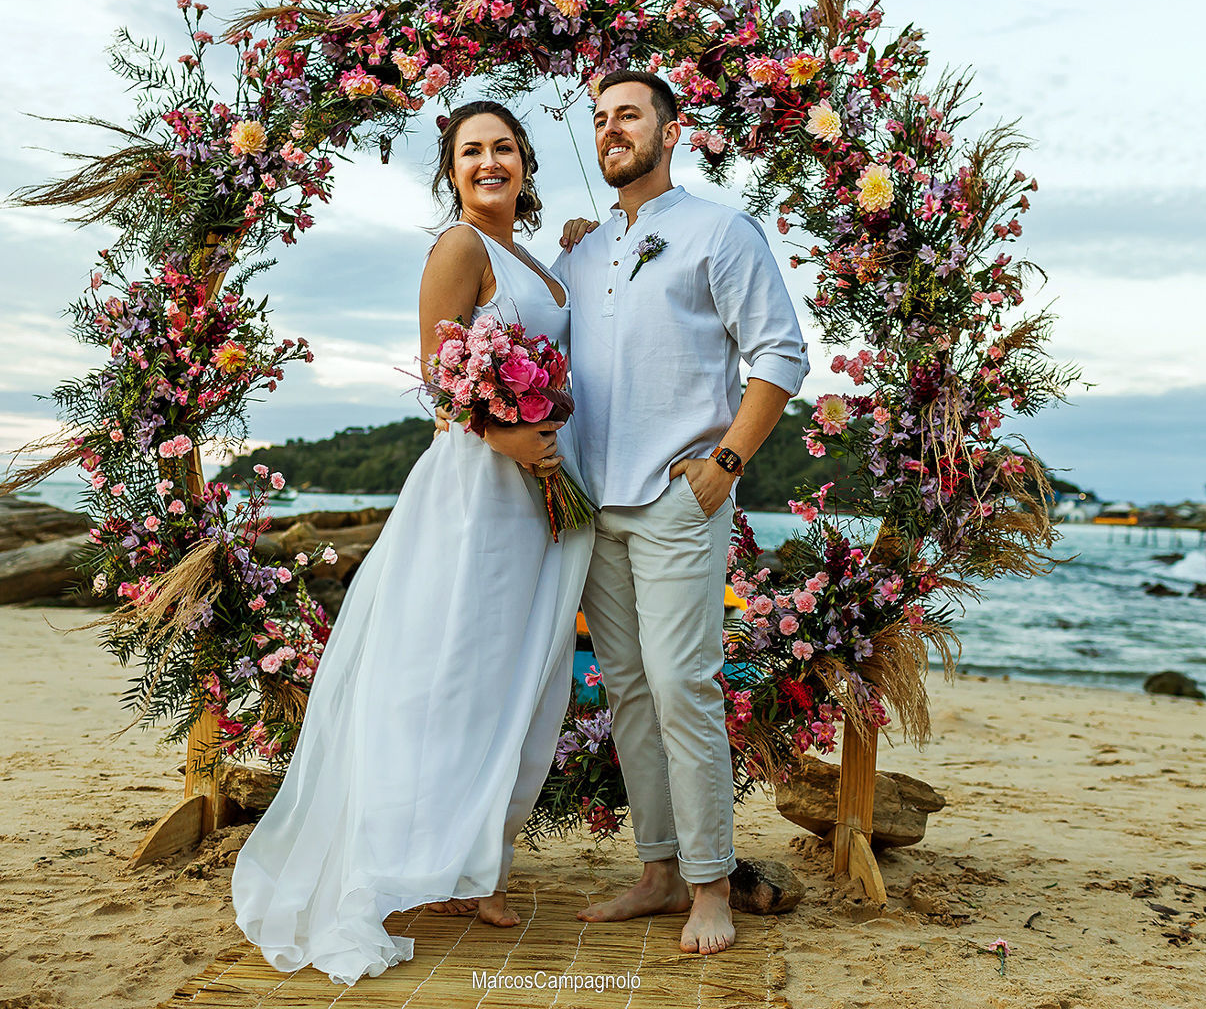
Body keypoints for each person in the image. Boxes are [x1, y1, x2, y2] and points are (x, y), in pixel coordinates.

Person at [231, 100, 595, 985]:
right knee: (448, 670)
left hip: (539, 499)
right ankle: (405, 861)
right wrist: (505, 436)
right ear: (451, 169)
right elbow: (441, 374)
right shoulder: (459, 247)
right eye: (471, 150)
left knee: (518, 674)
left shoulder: (535, 262)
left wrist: (582, 248)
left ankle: (475, 867)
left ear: (526, 163)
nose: (489, 161)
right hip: (476, 494)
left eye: (503, 147)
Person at [552, 70, 810, 955]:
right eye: (599, 119)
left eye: (629, 114)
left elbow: (780, 353)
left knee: (682, 690)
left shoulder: (720, 230)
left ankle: (710, 889)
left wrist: (726, 463)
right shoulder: (581, 254)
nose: (611, 128)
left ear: (672, 129)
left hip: (675, 497)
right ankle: (658, 872)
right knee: (624, 691)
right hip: (593, 502)